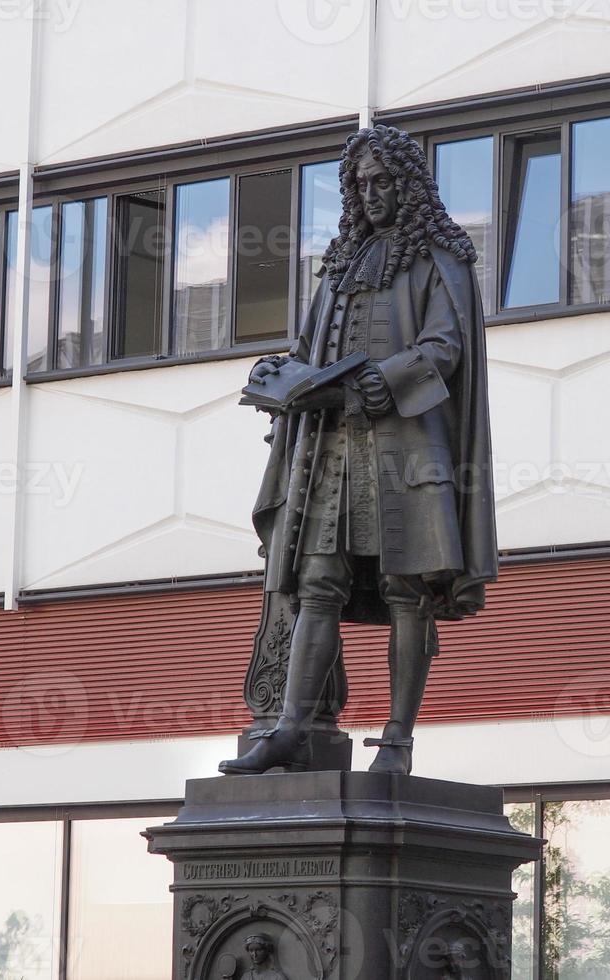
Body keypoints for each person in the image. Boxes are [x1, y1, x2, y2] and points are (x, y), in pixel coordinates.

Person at [220, 125, 497, 778]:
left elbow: (443, 348)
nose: (370, 193)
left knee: (407, 589)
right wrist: (280, 375)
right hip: (332, 450)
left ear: (408, 186)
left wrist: (384, 378)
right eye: (360, 183)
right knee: (316, 582)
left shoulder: (440, 258)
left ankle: (396, 740)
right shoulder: (341, 263)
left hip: (404, 448)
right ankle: (290, 728)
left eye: (382, 182)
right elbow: (313, 350)